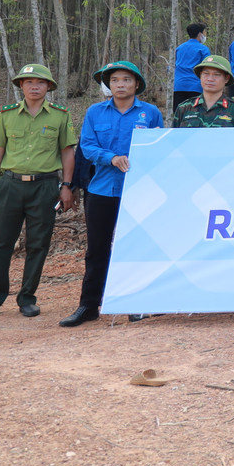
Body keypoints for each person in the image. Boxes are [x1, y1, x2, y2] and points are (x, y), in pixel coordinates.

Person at [59, 61, 162, 327]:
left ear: (136, 84)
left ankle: (136, 303)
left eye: (126, 80)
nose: (120, 84)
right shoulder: (95, 112)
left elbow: (159, 147)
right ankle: (89, 305)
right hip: (102, 189)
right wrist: (111, 158)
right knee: (97, 249)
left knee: (137, 247)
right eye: (114, 80)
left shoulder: (150, 113)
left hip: (139, 191)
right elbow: (88, 146)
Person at [0, 64, 78, 321]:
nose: (34, 86)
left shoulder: (59, 115)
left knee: (38, 244)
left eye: (40, 82)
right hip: (10, 185)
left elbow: (67, 152)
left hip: (45, 186)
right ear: (21, 86)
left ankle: (27, 298)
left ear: (49, 87)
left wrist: (67, 186)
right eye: (28, 82)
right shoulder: (6, 114)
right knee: (0, 243)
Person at [174, 55, 234, 127]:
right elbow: (175, 138)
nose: (210, 79)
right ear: (200, 76)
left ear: (226, 78)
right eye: (206, 74)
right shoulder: (184, 108)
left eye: (217, 75)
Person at [172, 22, 210, 113]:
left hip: (179, 86)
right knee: (196, 116)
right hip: (196, 87)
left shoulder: (179, 48)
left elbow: (173, 66)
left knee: (179, 115)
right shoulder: (203, 49)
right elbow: (208, 68)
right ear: (200, 34)